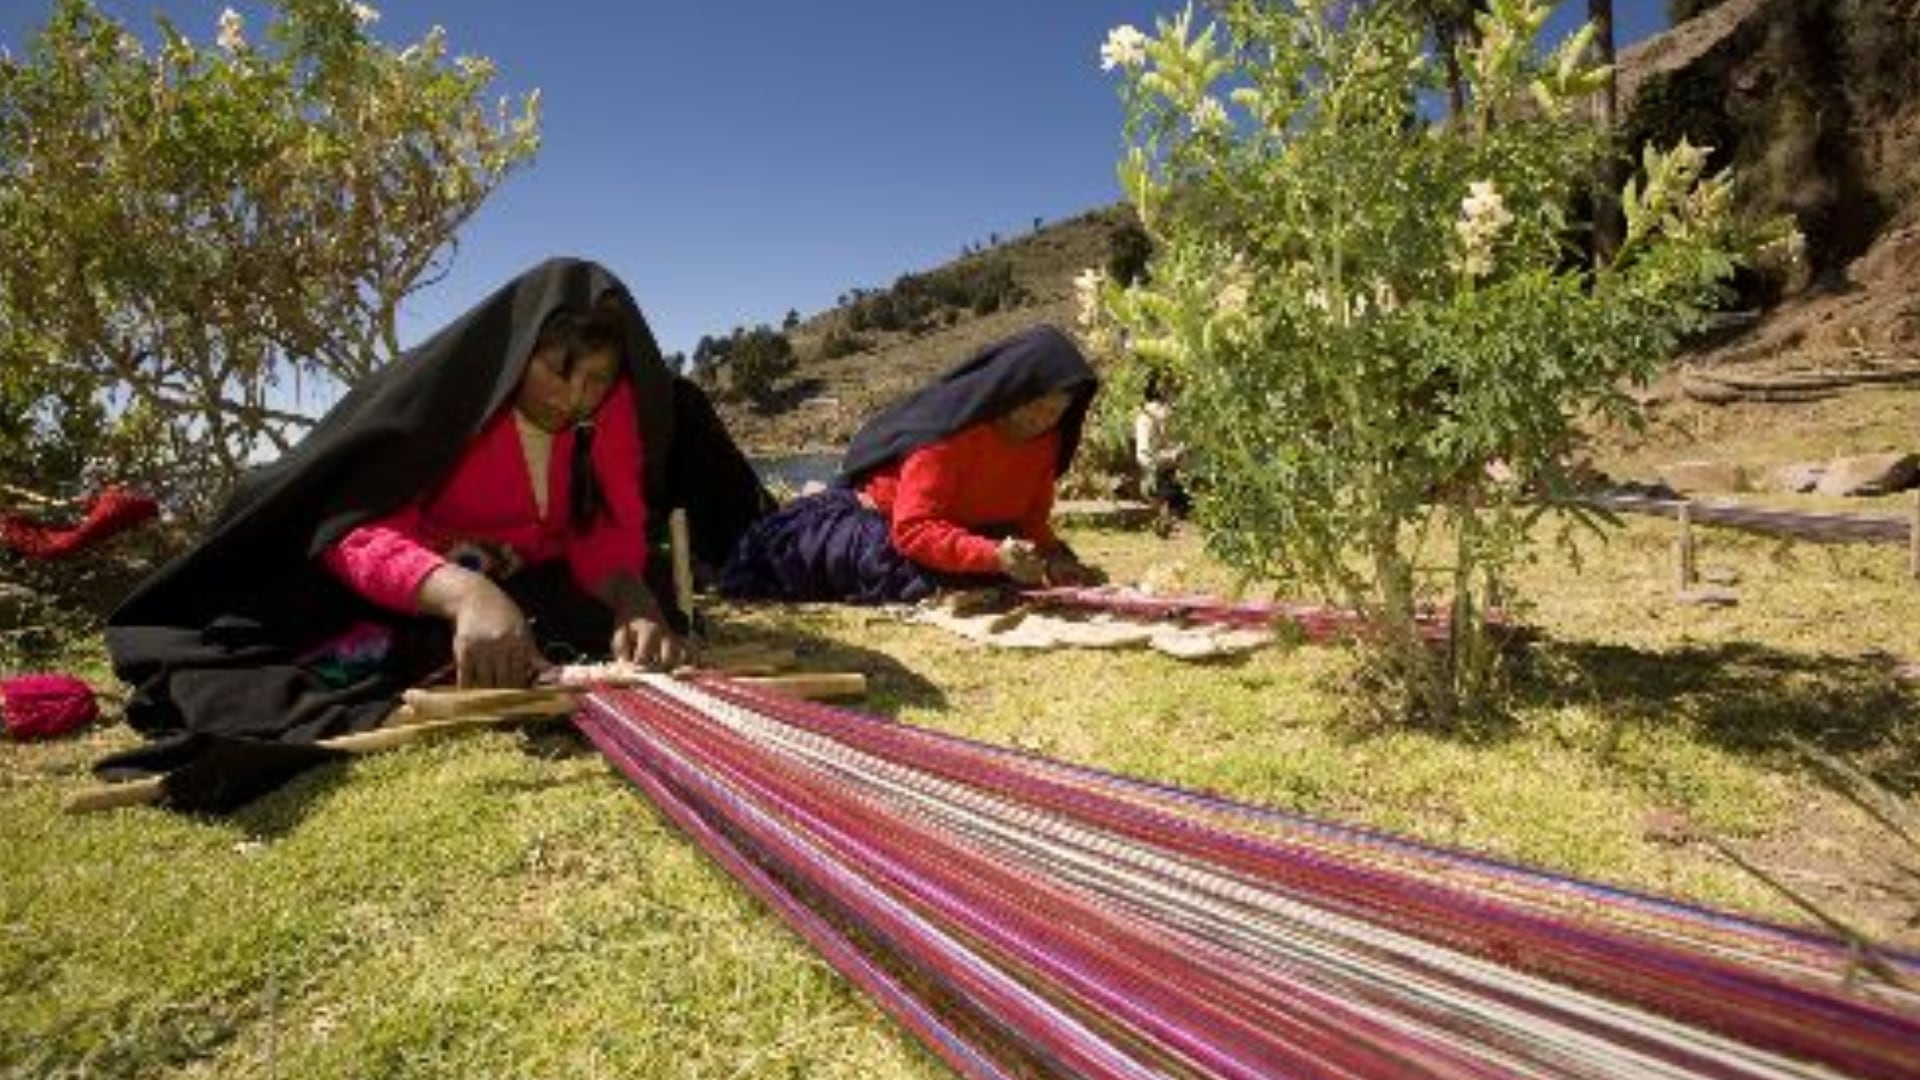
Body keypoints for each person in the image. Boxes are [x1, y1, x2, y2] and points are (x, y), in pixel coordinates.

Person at [102, 257, 773, 811]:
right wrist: (460, 593)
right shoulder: (455, 405)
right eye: (554, 368)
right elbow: (353, 527)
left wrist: (630, 596)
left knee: (633, 611)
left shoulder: (612, 412)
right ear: (517, 355)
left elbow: (604, 529)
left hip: (519, 578)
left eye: (594, 378)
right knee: (277, 660)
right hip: (404, 576)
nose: (570, 396)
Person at [720, 324, 1102, 604]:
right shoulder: (948, 437)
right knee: (904, 573)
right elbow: (915, 530)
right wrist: (992, 556)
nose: (1042, 420)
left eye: (1056, 411)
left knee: (993, 575)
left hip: (963, 529)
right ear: (1008, 392)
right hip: (884, 523)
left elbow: (1031, 519)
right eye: (1034, 405)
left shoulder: (1045, 443)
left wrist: (1051, 555)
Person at [1133, 369, 1189, 518]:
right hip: (1156, 470)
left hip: (1160, 466)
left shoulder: (1155, 412)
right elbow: (1145, 455)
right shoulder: (1151, 414)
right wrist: (1173, 455)